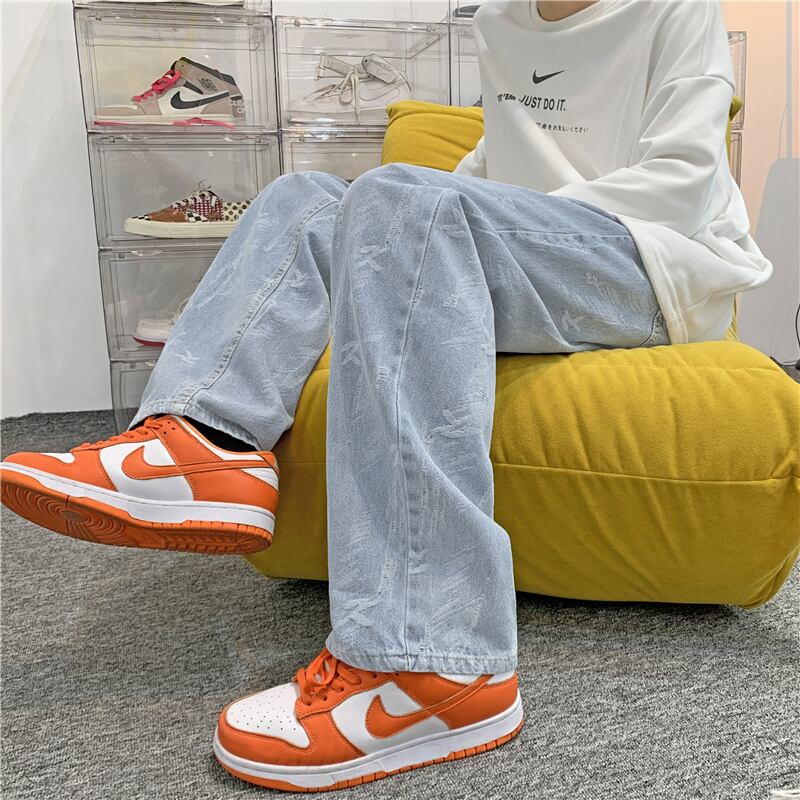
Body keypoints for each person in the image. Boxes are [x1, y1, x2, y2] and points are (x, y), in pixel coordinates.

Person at [0, 0, 772, 792]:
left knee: (400, 205)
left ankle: (436, 663)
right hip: (535, 255)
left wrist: (436, 221)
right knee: (306, 197)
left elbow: (681, 186)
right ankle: (205, 439)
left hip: (654, 266)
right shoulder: (502, 20)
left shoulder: (674, 9)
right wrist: (421, 220)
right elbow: (497, 168)